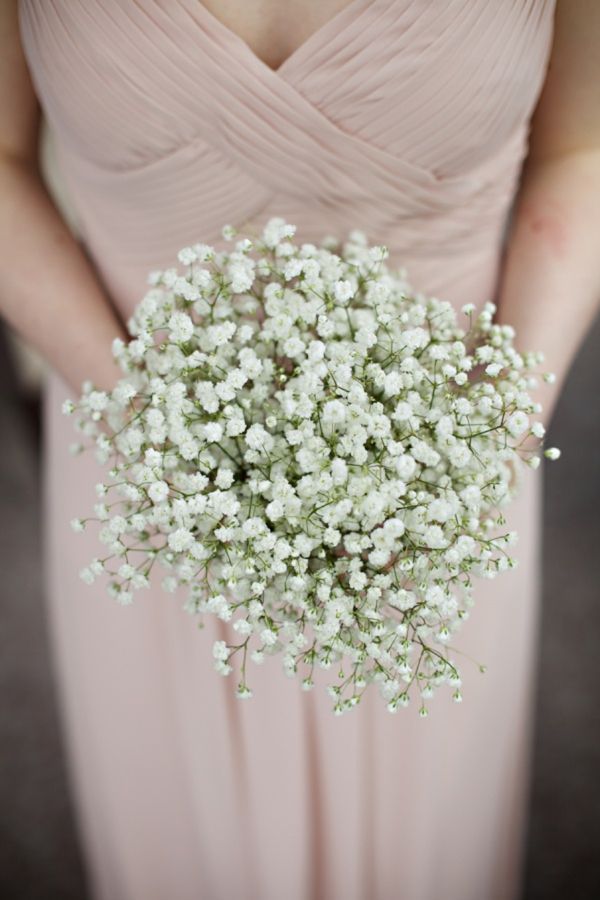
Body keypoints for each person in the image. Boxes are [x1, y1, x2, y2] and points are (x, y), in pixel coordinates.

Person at [1, 1, 599, 898]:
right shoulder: (146, 453)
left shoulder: (461, 479)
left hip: (436, 497)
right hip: (144, 463)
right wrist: (141, 423)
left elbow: (584, 151)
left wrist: (495, 445)